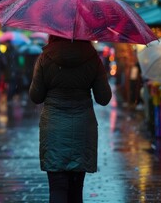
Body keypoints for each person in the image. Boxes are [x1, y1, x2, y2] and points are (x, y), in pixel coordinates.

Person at [29, 35, 112, 202]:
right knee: (76, 189)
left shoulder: (45, 57)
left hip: (53, 127)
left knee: (57, 187)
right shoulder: (92, 58)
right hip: (82, 128)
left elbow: (36, 96)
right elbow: (104, 98)